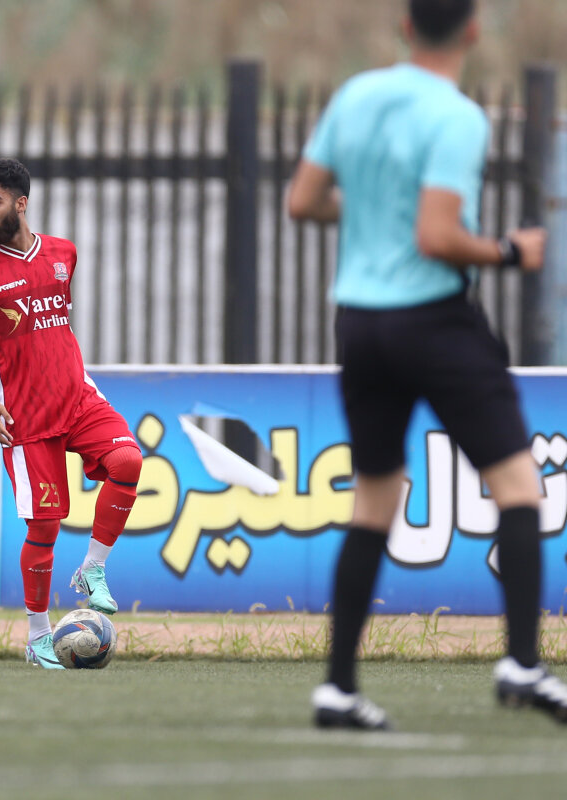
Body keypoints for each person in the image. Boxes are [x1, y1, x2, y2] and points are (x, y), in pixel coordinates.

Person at [288, 0, 567, 728]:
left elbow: (303, 202)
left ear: (406, 26)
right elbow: (438, 237)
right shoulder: (457, 116)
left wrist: (369, 212)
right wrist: (509, 251)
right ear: (472, 30)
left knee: (374, 501)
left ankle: (338, 688)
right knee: (517, 485)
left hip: (360, 324)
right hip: (434, 321)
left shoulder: (356, 95)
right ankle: (522, 664)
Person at [0, 157, 142, 669]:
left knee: (128, 462)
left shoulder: (63, 253)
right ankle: (37, 636)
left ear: (21, 202)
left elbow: (56, 328)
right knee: (45, 529)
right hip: (26, 419)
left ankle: (92, 570)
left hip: (78, 398)